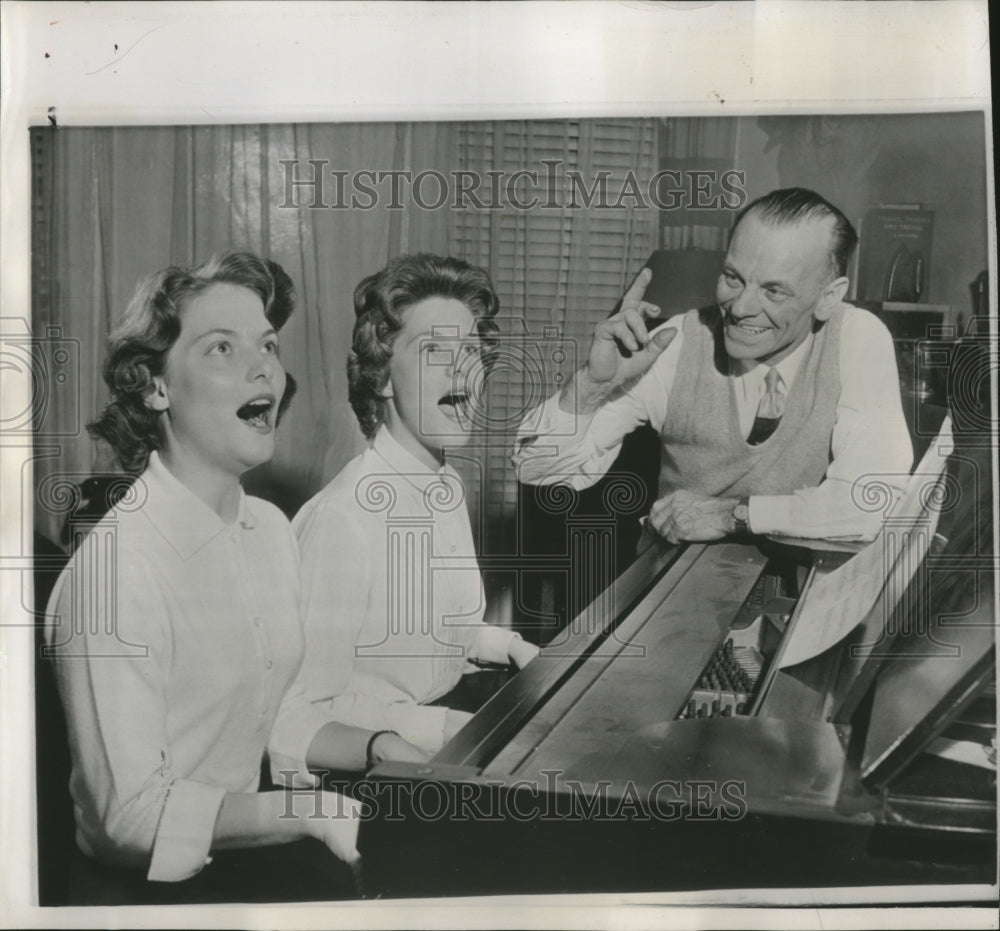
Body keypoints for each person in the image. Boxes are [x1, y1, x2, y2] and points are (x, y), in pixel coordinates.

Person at [43, 252, 426, 902]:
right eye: (221, 347)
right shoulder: (113, 572)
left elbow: (262, 720)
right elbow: (127, 818)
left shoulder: (272, 530)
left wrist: (380, 746)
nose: (264, 368)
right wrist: (304, 812)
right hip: (138, 899)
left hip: (246, 861)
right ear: (156, 387)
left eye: (269, 346)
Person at [513, 187, 914, 543]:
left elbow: (872, 501)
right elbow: (536, 470)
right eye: (733, 277)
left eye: (773, 291)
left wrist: (731, 515)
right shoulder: (679, 340)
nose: (740, 308)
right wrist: (591, 387)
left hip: (805, 591)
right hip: (676, 589)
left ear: (828, 297)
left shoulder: (857, 337)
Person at [294, 253, 539, 756]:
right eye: (433, 350)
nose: (461, 369)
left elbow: (447, 630)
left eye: (470, 350)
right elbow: (304, 709)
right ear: (382, 378)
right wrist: (438, 728)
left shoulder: (444, 484)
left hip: (442, 728)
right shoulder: (343, 518)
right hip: (370, 768)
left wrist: (512, 647)